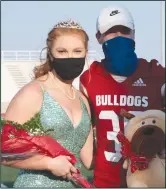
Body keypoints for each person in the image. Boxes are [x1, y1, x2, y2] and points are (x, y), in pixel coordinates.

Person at [80, 6, 165, 188]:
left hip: (148, 181)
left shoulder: (156, 74)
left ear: (133, 34)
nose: (118, 36)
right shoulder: (89, 78)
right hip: (105, 182)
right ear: (99, 37)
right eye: (111, 32)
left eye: (124, 31)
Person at [2, 19, 93, 188]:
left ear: (85, 53)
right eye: (62, 51)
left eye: (77, 51)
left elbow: (89, 160)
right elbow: (4, 150)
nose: (70, 57)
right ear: (51, 54)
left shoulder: (82, 100)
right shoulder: (34, 92)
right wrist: (49, 163)